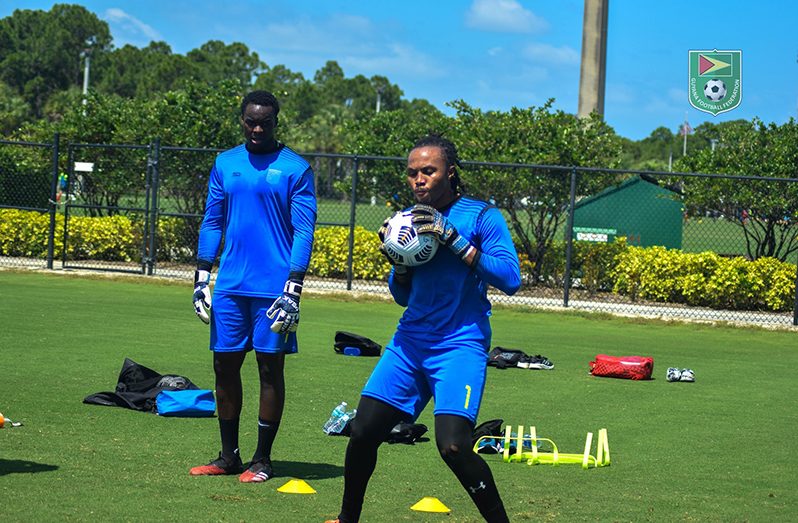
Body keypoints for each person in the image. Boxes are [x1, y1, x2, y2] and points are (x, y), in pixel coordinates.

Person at [326, 135, 521, 522]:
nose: (419, 179)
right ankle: (347, 520)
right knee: (363, 431)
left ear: (450, 172)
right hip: (409, 344)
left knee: (453, 446)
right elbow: (402, 294)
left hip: (460, 346)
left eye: (428, 171)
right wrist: (398, 262)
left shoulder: (481, 216)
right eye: (413, 172)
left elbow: (511, 278)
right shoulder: (407, 221)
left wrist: (452, 238)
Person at [189, 90, 317, 483]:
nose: (258, 127)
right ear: (242, 120)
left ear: (277, 122)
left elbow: (304, 230)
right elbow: (213, 221)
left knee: (268, 368)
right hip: (229, 285)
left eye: (265, 122)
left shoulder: (296, 168)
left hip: (274, 290)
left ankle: (262, 460)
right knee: (223, 366)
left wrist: (294, 284)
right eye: (251, 121)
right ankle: (229, 457)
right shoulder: (225, 163)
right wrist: (201, 275)